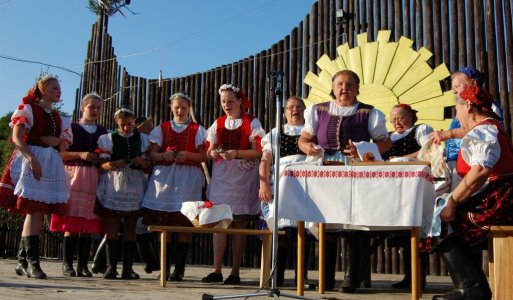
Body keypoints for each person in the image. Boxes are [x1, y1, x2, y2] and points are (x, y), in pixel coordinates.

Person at [297, 69, 392, 293]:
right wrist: (307, 147)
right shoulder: (317, 110)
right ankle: (326, 277)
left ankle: (352, 277)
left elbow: (385, 143)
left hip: (355, 170)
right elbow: (304, 138)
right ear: (333, 87)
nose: (344, 88)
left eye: (349, 84)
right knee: (325, 219)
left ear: (357, 89)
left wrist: (362, 149)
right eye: (339, 84)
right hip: (325, 171)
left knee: (353, 219)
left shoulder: (370, 113)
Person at [431, 85, 513, 300]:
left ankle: (470, 289)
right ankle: (472, 287)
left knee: (440, 221)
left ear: (467, 106)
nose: (456, 115)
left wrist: (453, 201)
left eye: (456, 109)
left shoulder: (483, 131)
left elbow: (480, 171)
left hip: (500, 201)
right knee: (443, 217)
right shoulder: (488, 127)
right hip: (499, 197)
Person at [0, 75, 71, 279]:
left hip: (50, 162)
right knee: (34, 210)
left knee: (37, 213)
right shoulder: (29, 109)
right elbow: (17, 137)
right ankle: (32, 263)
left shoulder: (59, 118)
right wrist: (31, 158)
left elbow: (64, 146)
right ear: (42, 89)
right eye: (54, 88)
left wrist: (56, 140)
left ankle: (23, 262)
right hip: (31, 159)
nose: (59, 91)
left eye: (59, 88)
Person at [202, 84, 265, 285]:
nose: (226, 105)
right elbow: (209, 150)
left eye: (230, 101)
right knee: (220, 222)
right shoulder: (218, 123)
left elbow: (258, 151)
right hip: (222, 177)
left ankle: (235, 271)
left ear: (240, 101)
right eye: (223, 102)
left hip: (243, 177)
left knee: (239, 223)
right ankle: (216, 269)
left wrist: (236, 153)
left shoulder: (251, 122)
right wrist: (212, 152)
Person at [142, 92, 208, 281]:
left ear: (189, 109)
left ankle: (179, 269)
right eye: (177, 107)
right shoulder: (162, 128)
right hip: (165, 181)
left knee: (184, 223)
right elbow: (151, 154)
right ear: (171, 108)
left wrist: (187, 155)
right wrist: (163, 156)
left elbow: (203, 156)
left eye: (184, 108)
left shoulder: (197, 129)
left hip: (188, 179)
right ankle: (165, 267)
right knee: (166, 225)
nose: (180, 111)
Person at [49, 92, 107, 277]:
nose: (95, 110)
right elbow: (62, 154)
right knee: (71, 223)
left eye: (98, 107)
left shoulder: (103, 132)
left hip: (93, 177)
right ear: (83, 108)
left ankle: (83, 265)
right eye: (92, 107)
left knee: (88, 224)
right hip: (73, 176)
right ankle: (68, 264)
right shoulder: (71, 128)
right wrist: (81, 154)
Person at [259, 96, 311, 286]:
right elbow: (265, 160)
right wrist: (263, 184)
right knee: (281, 230)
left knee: (304, 230)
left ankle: (301, 277)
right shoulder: (276, 133)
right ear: (284, 112)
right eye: (290, 107)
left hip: (308, 183)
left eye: (298, 106)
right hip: (281, 183)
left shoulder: (311, 131)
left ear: (305, 111)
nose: (294, 110)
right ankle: (277, 276)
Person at [95, 107, 152, 280]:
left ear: (133, 122)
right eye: (122, 125)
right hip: (114, 184)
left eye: (129, 124)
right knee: (112, 227)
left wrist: (142, 162)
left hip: (135, 185)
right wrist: (115, 163)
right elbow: (101, 165)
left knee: (131, 228)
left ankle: (128, 268)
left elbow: (149, 166)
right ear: (116, 123)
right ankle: (111, 268)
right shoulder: (107, 139)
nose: (126, 128)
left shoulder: (142, 139)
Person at [381, 103, 433, 289]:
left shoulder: (421, 130)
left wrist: (403, 159)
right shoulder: (388, 137)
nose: (396, 122)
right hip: (393, 189)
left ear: (411, 117)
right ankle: (409, 276)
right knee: (404, 232)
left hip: (415, 186)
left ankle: (419, 278)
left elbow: (429, 150)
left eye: (400, 118)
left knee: (416, 229)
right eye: (393, 119)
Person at [431, 67, 503, 192]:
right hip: (457, 162)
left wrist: (449, 134)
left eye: (457, 86)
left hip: (475, 163)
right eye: (453, 88)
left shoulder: (488, 106)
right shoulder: (463, 108)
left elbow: (486, 131)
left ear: (473, 83)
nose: (454, 92)